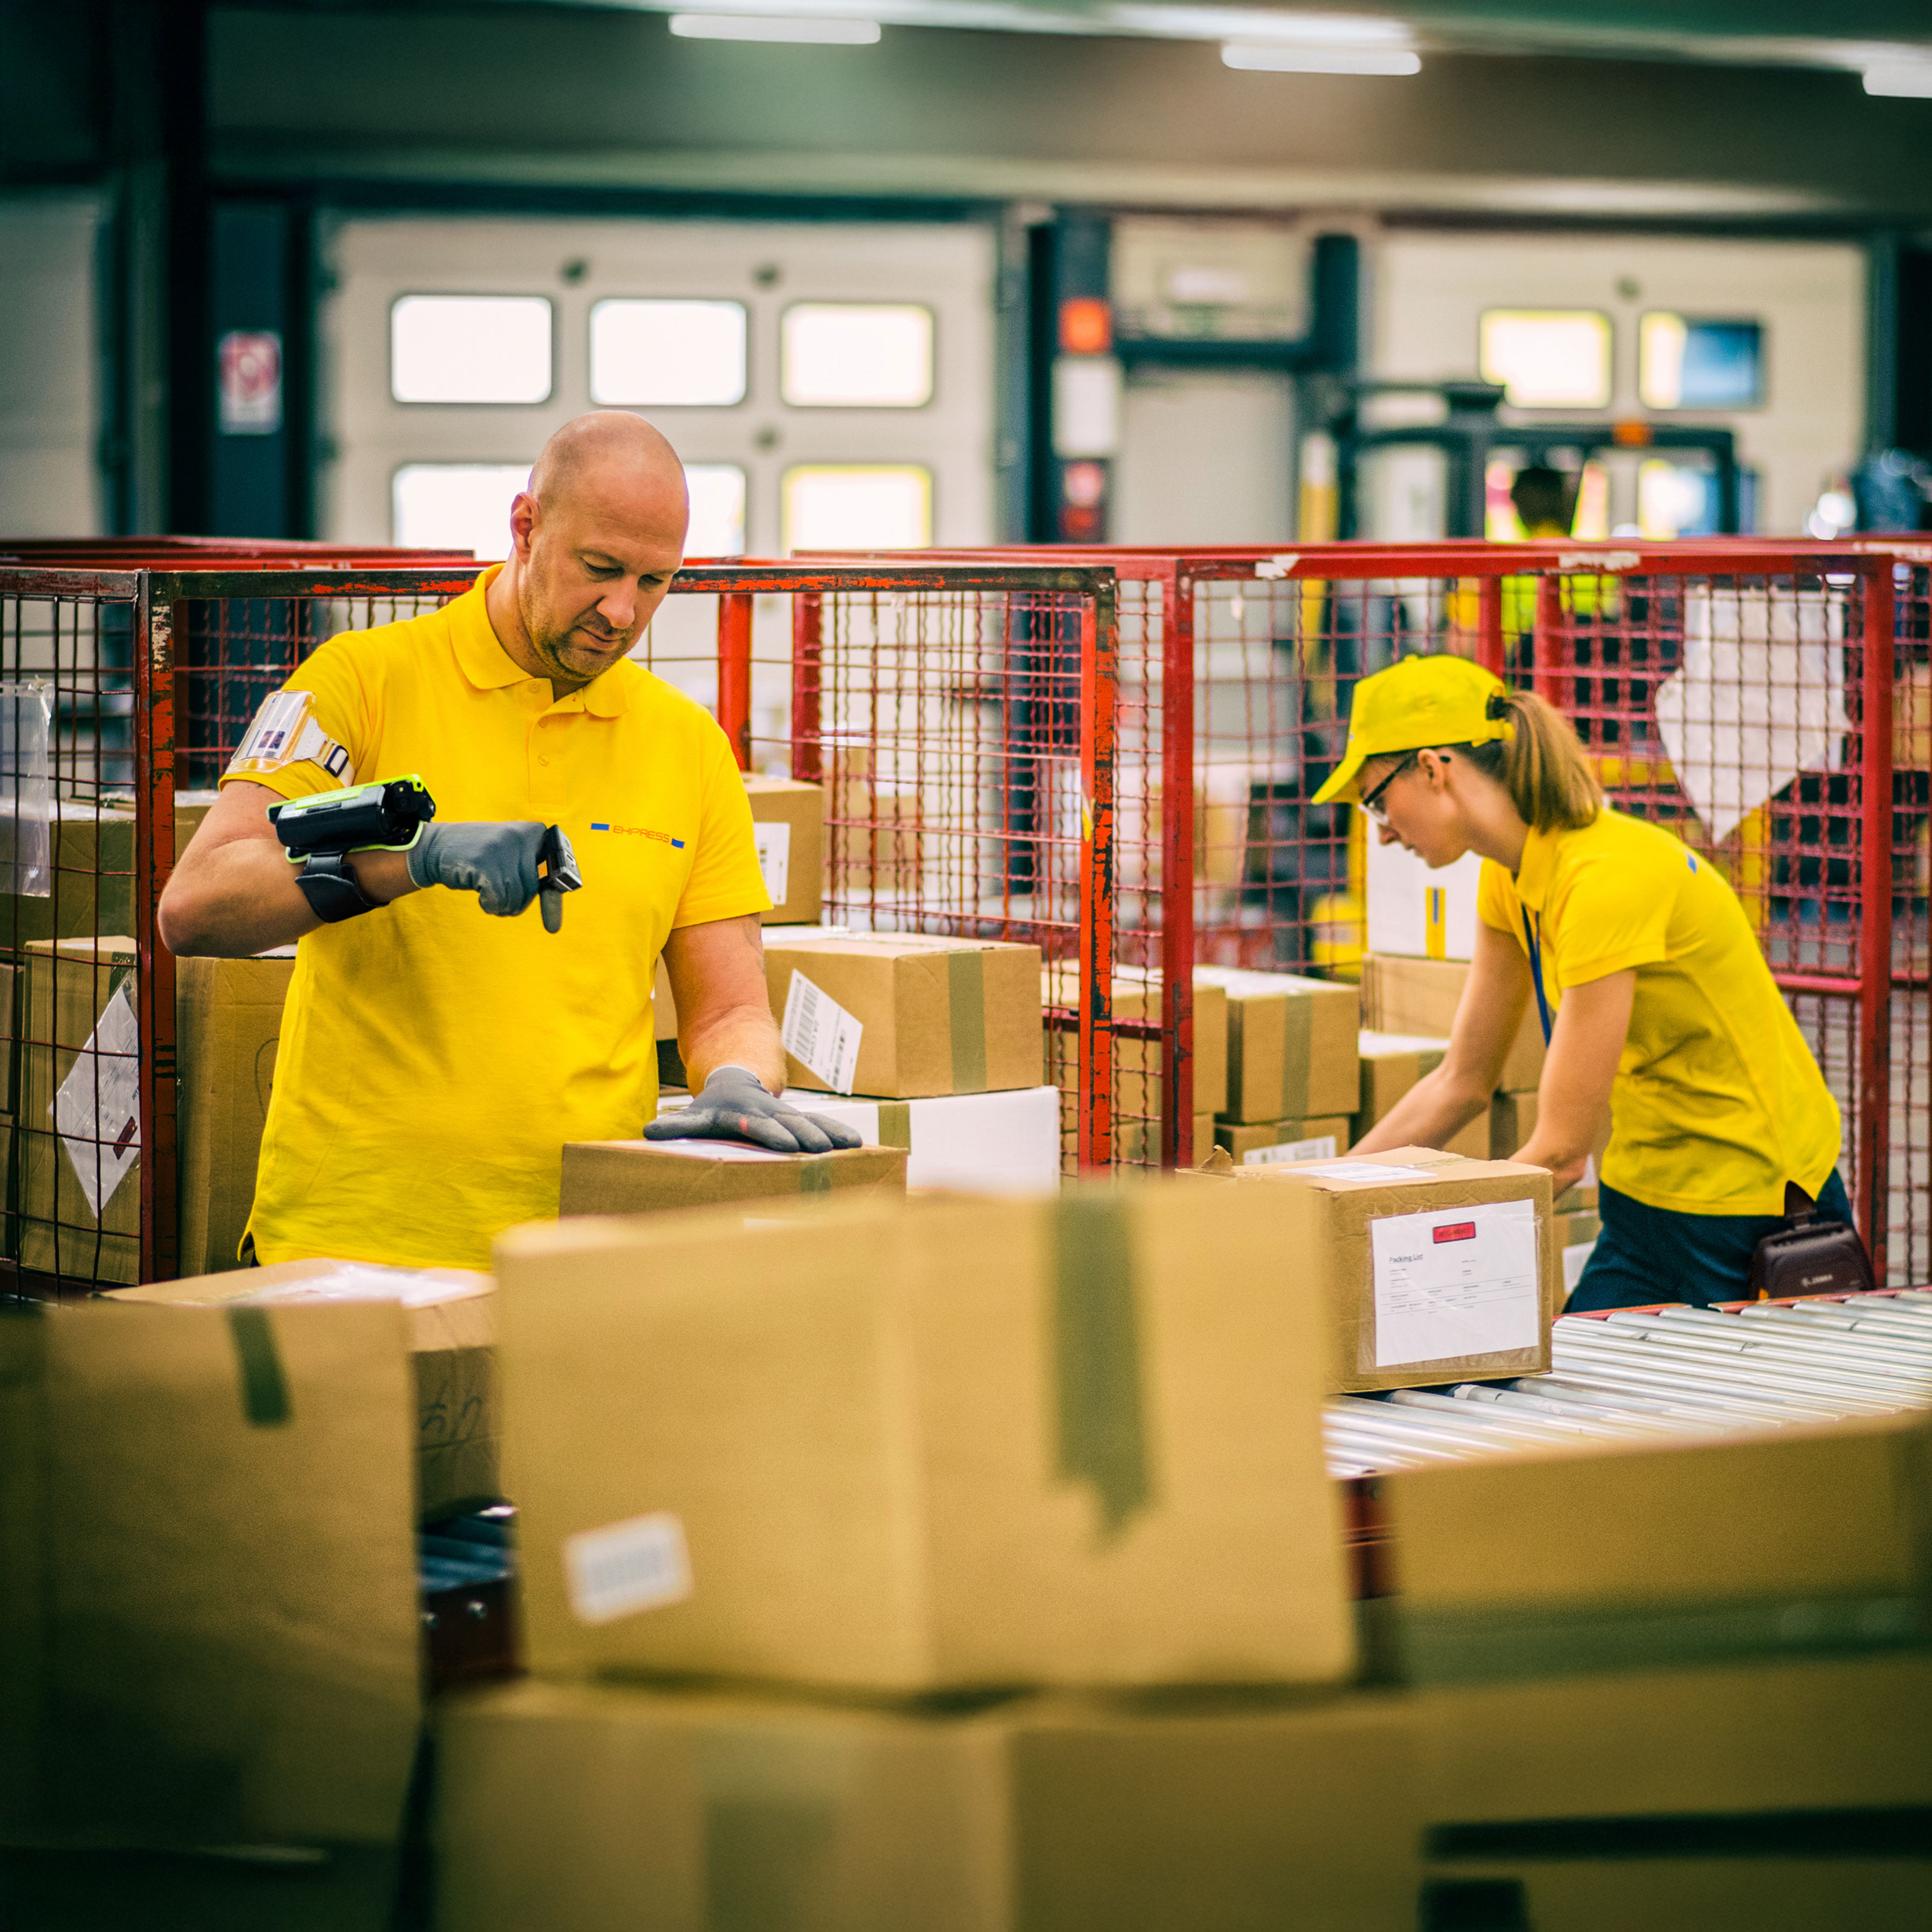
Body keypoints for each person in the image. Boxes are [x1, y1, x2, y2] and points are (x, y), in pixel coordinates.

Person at [160, 411, 855, 1273]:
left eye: (654, 581)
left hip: (586, 1258)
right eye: (599, 569)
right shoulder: (360, 686)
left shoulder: (688, 747)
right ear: (525, 526)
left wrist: (739, 1079)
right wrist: (407, 859)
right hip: (357, 1248)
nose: (621, 610)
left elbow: (728, 1008)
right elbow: (197, 904)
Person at [1322, 654, 1852, 1311]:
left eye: (1377, 800)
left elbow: (1563, 1152)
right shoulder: (1508, 877)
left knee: (1718, 1412)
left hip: (1748, 1205)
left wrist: (1406, 1238)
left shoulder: (1604, 878)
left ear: (1432, 769)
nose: (1382, 831)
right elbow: (1461, 1081)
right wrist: (1325, 1192)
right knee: (1587, 1398)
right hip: (1643, 1197)